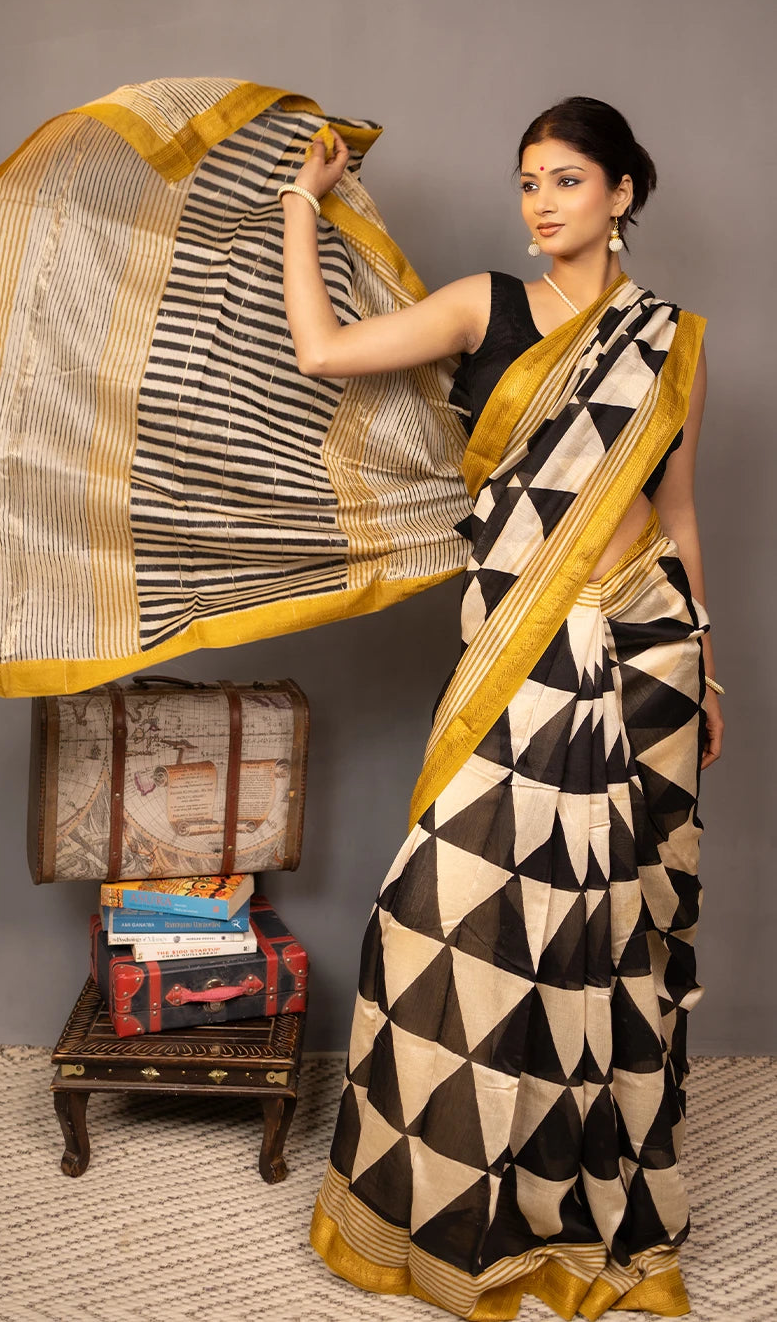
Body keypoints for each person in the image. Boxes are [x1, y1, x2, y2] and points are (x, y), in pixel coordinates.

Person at [279, 97, 724, 1322]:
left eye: (568, 179)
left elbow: (678, 516)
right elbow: (322, 356)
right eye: (528, 180)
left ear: (622, 192)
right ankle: (433, 1202)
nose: (541, 201)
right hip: (518, 648)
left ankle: (581, 1211)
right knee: (448, 912)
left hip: (647, 651)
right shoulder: (487, 305)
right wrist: (298, 208)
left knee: (611, 931)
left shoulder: (671, 339)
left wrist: (709, 659)